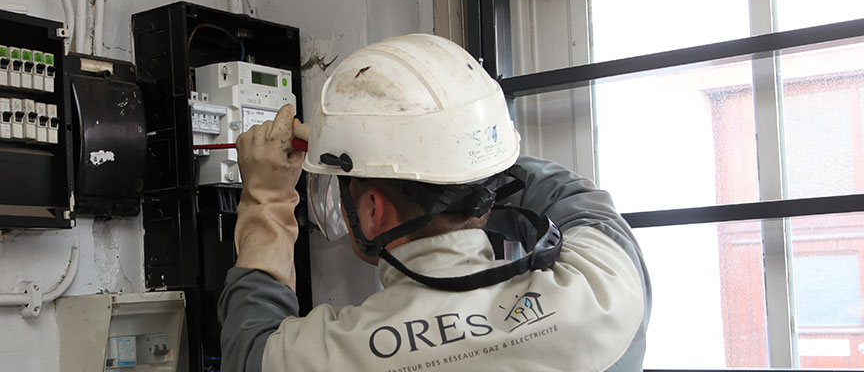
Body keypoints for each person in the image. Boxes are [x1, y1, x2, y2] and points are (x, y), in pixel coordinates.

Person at [218, 33, 650, 371]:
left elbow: (249, 343)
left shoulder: (326, 356)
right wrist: (458, 159)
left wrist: (267, 197)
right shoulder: (604, 299)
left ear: (372, 211)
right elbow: (575, 202)